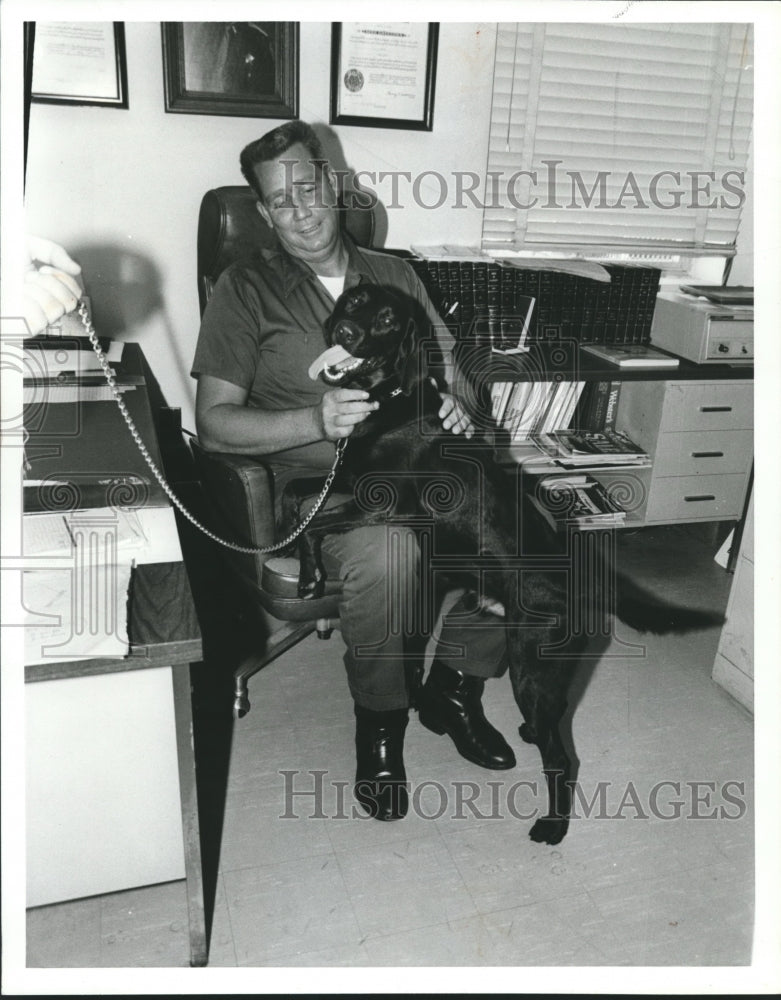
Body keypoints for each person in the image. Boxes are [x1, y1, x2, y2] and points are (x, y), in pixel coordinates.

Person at [191, 121, 513, 822]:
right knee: (391, 554)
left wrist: (461, 407)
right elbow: (214, 422)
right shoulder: (244, 290)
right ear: (262, 212)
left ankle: (453, 687)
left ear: (336, 186)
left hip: (419, 471)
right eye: (278, 202)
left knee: (522, 532)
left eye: (307, 188)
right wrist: (312, 421)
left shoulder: (394, 273)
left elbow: (455, 375)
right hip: (325, 495)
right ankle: (380, 726)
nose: (299, 211)